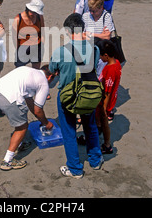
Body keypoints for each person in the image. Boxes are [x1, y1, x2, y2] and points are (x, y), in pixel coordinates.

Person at [49, 13, 104, 178]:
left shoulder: (60, 51)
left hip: (68, 95)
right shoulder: (95, 49)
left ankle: (75, 168)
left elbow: (53, 69)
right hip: (89, 93)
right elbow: (93, 67)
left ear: (67, 31)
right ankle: (95, 160)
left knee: (69, 131)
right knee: (90, 127)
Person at [0, 65, 55, 171]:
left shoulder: (29, 71)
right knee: (22, 127)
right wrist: (46, 123)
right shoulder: (43, 83)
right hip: (9, 98)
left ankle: (19, 144)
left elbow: (30, 101)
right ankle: (7, 161)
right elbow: (38, 110)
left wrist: (37, 116)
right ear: (49, 77)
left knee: (19, 119)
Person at [96, 40, 122, 154]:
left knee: (103, 120)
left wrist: (104, 109)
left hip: (104, 101)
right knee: (100, 121)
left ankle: (107, 145)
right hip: (108, 99)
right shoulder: (116, 63)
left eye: (101, 56)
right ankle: (97, 135)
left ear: (106, 55)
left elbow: (107, 91)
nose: (100, 58)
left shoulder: (110, 70)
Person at [82, 0, 116, 76]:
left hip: (101, 55)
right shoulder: (85, 16)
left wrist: (90, 34)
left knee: (100, 77)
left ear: (101, 7)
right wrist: (100, 35)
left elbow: (107, 37)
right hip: (87, 52)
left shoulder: (106, 16)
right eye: (90, 10)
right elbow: (82, 36)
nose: (92, 13)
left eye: (94, 11)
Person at [12, 0, 45, 69]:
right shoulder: (18, 19)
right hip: (23, 48)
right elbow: (14, 37)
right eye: (32, 11)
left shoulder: (39, 17)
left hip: (37, 46)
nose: (33, 14)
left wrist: (42, 44)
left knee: (36, 71)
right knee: (19, 71)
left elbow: (42, 31)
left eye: (35, 12)